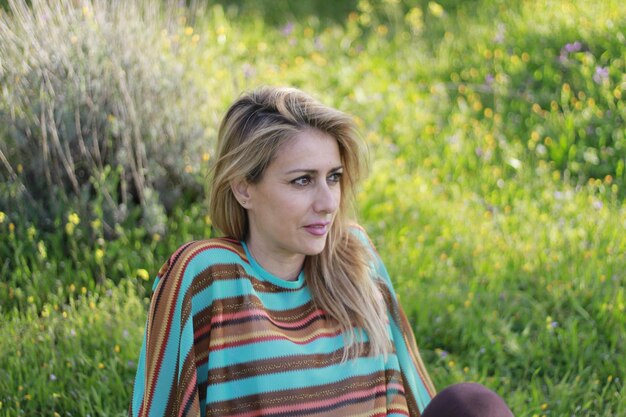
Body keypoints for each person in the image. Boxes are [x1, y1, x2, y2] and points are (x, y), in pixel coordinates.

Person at [129, 86, 514, 417]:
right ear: (244, 188)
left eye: (333, 177)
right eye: (302, 181)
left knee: (471, 404)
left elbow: (408, 398)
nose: (328, 202)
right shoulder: (205, 274)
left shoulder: (353, 257)